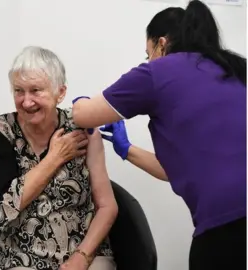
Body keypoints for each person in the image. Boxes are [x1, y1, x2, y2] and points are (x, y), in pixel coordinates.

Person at [71, 1, 246, 270]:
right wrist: (126, 149)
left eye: (147, 53)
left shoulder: (158, 72)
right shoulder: (234, 68)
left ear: (161, 44)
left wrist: (79, 103)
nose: (148, 60)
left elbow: (83, 115)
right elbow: (174, 170)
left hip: (227, 230)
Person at [0, 46, 118, 270]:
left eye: (36, 90)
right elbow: (2, 211)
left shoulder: (83, 129)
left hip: (84, 251)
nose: (26, 102)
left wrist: (82, 257)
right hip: (21, 254)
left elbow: (107, 206)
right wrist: (54, 157)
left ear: (61, 92)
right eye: (19, 91)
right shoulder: (2, 131)